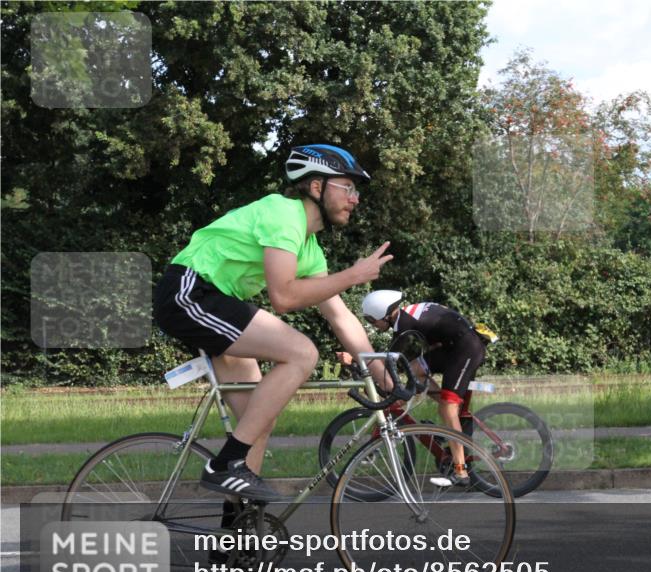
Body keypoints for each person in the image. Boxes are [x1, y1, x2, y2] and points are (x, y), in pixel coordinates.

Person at [152, 144, 392, 503]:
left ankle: (235, 543)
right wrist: (353, 275)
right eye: (348, 187)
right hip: (189, 291)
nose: (355, 199)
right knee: (301, 353)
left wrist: (384, 378)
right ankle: (225, 466)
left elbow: (340, 316)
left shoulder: (309, 249)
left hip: (219, 301)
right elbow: (284, 297)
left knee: (257, 422)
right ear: (316, 187)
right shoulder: (284, 213)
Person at [358, 291, 488, 486]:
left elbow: (390, 362)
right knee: (415, 369)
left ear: (383, 313)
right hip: (453, 347)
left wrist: (358, 362)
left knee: (446, 407)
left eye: (371, 319)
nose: (371, 324)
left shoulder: (404, 324)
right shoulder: (404, 318)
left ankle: (461, 471)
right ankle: (453, 411)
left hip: (465, 349)